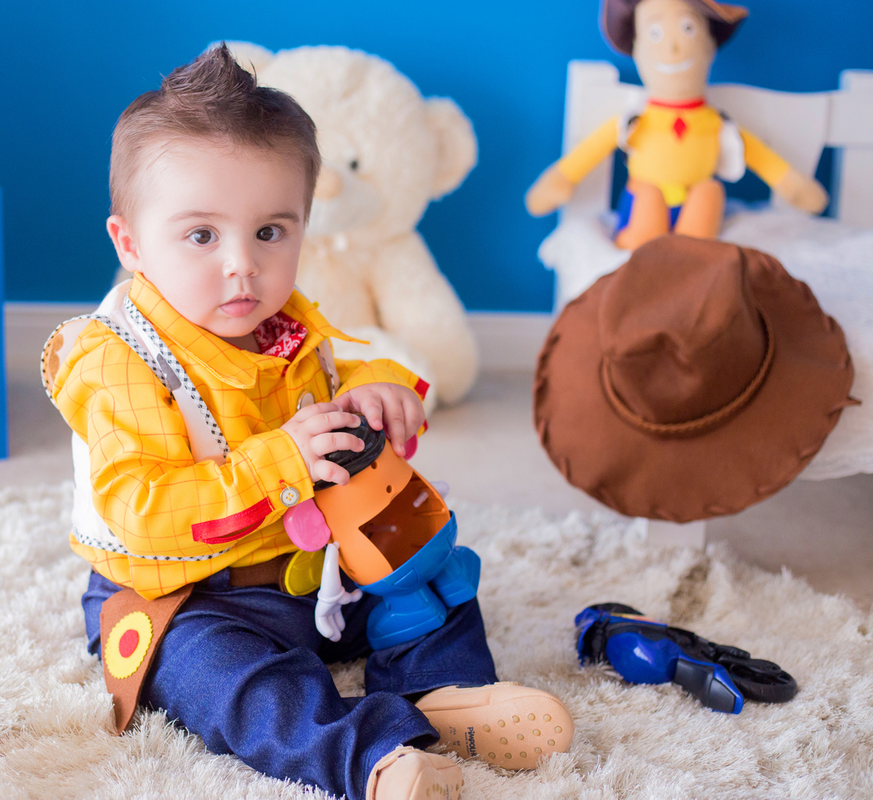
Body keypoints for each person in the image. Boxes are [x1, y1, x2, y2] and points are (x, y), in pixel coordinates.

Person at [44, 45, 572, 800]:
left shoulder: (281, 318)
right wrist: (283, 461)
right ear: (130, 244)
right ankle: (370, 756)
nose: (242, 266)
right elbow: (143, 515)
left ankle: (444, 689)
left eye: (271, 232)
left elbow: (336, 372)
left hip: (318, 572)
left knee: (432, 569)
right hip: (193, 593)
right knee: (223, 681)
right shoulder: (120, 361)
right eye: (202, 235)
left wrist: (381, 385)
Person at [525, 0, 827, 250]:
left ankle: (690, 250)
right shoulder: (635, 121)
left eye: (687, 28)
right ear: (639, 47)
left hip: (694, 205)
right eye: (655, 34)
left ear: (708, 44)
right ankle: (641, 245)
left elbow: (761, 157)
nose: (672, 47)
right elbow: (588, 152)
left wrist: (794, 186)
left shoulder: (715, 124)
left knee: (709, 192)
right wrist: (560, 180)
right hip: (644, 200)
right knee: (648, 196)